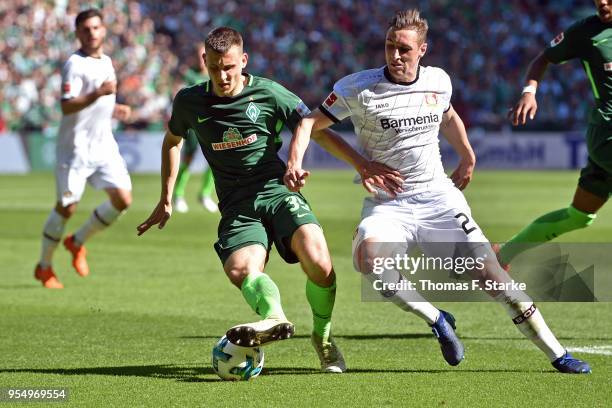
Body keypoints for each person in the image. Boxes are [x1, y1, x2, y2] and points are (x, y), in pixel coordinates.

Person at [284, 9, 591, 373]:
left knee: (492, 276)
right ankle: (436, 319)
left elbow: (447, 115)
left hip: (438, 199)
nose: (395, 55)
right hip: (389, 205)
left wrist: (467, 154)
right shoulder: (357, 88)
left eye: (404, 49)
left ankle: (558, 353)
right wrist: (316, 163)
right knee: (368, 260)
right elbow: (310, 123)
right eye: (389, 47)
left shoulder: (438, 81)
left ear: (422, 50)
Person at [136, 27, 396, 373]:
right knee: (240, 269)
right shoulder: (189, 102)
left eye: (229, 66)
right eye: (214, 67)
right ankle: (273, 317)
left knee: (319, 262)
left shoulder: (270, 94)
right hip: (237, 204)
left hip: (277, 191)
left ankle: (324, 339)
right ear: (204, 62)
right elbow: (172, 141)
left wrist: (361, 164)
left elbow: (314, 128)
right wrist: (166, 197)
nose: (222, 75)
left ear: (243, 61)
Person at [498, 0, 612, 269]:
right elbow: (544, 58)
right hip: (607, 133)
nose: (601, 3)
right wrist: (529, 93)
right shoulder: (585, 32)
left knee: (579, 216)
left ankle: (501, 254)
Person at [34, 8, 132, 289]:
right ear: (78, 33)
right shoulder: (74, 65)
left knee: (123, 200)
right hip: (74, 151)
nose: (92, 33)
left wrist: (115, 108)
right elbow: (67, 105)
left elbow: (100, 104)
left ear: (104, 31)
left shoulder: (107, 62)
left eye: (96, 28)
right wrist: (99, 93)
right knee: (67, 206)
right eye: (86, 29)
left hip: (103, 147)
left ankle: (77, 242)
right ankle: (44, 267)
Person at [172, 43, 218, 214]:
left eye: (204, 55)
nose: (202, 59)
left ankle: (205, 194)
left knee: (216, 160)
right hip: (193, 123)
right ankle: (178, 195)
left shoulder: (214, 75)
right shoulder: (187, 75)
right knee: (188, 160)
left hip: (212, 123)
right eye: (199, 55)